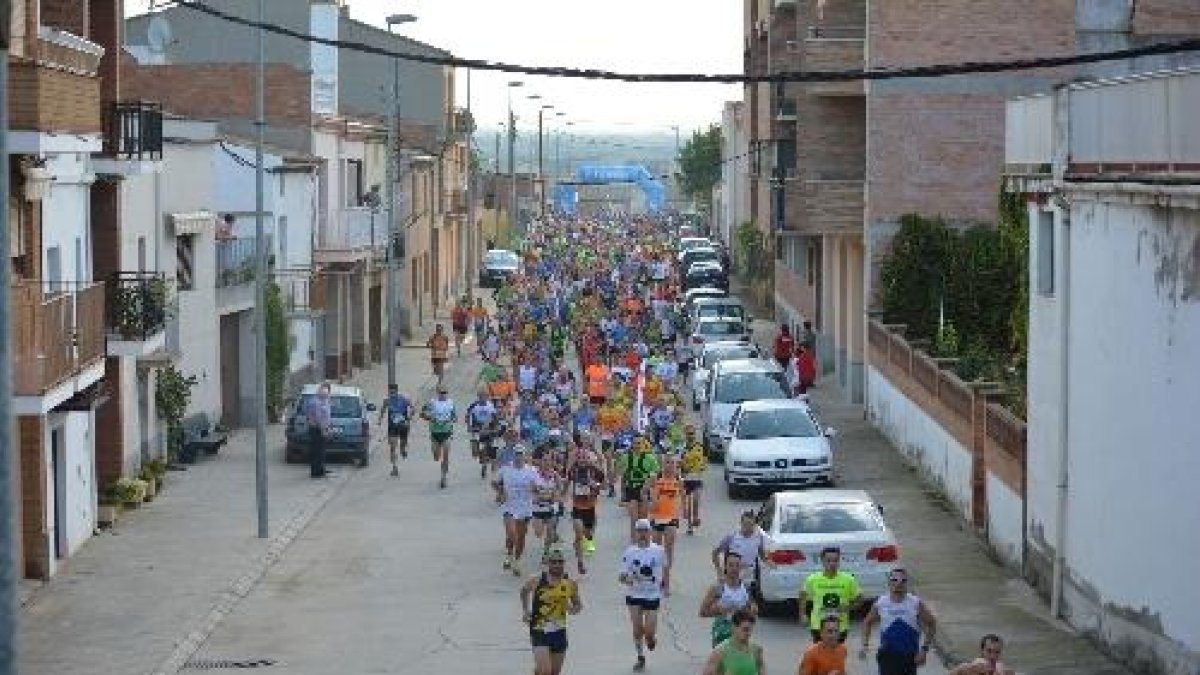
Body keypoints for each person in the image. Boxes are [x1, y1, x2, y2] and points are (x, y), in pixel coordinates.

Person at [859, 568, 938, 675]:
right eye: (894, 580)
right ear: (888, 582)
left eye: (903, 580)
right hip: (887, 656)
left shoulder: (915, 602)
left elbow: (932, 623)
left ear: (907, 583)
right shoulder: (881, 602)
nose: (898, 583)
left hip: (909, 657)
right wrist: (865, 645)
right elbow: (867, 622)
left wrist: (924, 650)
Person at [520, 545, 582, 675]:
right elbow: (524, 591)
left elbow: (578, 605)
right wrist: (526, 610)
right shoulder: (536, 580)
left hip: (559, 632)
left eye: (560, 562)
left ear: (564, 563)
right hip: (539, 630)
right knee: (546, 671)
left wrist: (573, 609)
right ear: (548, 563)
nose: (557, 565)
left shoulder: (570, 583)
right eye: (553, 562)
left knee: (554, 672)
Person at [620, 519, 667, 672]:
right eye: (639, 530)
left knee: (649, 632)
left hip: (652, 595)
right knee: (637, 629)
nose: (642, 534)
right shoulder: (629, 552)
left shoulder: (659, 550)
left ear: (650, 532)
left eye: (645, 530)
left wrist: (665, 585)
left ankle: (651, 639)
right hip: (634, 595)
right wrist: (629, 579)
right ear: (635, 532)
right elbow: (621, 576)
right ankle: (640, 657)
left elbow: (665, 568)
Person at [799, 547, 861, 643]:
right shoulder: (812, 579)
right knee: (820, 654)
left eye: (835, 560)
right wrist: (803, 614)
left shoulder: (849, 579)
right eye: (828, 560)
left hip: (840, 626)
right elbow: (803, 595)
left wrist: (848, 607)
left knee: (836, 654)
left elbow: (859, 599)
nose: (832, 564)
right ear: (822, 561)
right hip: (818, 625)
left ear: (839, 561)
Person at [496, 446, 539, 576]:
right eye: (516, 454)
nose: (518, 456)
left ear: (525, 456)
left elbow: (537, 487)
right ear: (513, 455)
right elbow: (495, 482)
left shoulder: (532, 470)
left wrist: (535, 490)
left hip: (525, 508)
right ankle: (510, 555)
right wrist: (501, 493)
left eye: (521, 454)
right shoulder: (505, 469)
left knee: (520, 538)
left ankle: (515, 560)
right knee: (512, 534)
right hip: (509, 506)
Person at [700, 551, 757, 648]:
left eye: (737, 565)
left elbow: (752, 609)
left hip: (741, 632)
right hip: (722, 632)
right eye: (731, 565)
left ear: (741, 567)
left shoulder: (746, 588)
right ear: (725, 567)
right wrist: (720, 611)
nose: (734, 569)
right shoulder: (718, 588)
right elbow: (703, 612)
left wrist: (752, 609)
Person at [647, 455, 683, 593]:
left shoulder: (679, 480)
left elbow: (683, 496)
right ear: (662, 464)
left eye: (672, 463)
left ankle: (666, 583)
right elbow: (645, 493)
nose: (669, 466)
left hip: (671, 519)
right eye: (667, 463)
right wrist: (650, 502)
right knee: (656, 551)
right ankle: (656, 579)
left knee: (668, 551)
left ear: (676, 465)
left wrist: (683, 511)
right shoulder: (655, 479)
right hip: (657, 518)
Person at [567, 445, 604, 575]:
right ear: (577, 459)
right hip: (577, 507)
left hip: (590, 507)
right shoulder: (573, 470)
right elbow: (567, 482)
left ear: (588, 459)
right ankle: (580, 562)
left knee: (588, 535)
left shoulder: (595, 471)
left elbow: (603, 485)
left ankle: (588, 537)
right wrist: (562, 494)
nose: (582, 460)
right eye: (580, 457)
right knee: (578, 533)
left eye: (585, 457)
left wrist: (595, 486)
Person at [712, 511, 771, 591]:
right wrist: (719, 572)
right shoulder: (732, 536)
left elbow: (761, 554)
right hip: (732, 572)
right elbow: (715, 552)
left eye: (751, 525)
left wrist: (768, 562)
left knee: (746, 598)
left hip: (749, 574)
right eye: (745, 524)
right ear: (741, 523)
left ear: (755, 525)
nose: (748, 527)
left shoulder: (758, 537)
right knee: (728, 598)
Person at [701, 609, 766, 675]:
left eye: (750, 630)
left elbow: (761, 668)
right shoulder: (719, 652)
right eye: (745, 629)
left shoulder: (756, 650)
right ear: (733, 627)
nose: (749, 633)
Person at [420, 385, 457, 489]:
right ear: (437, 393)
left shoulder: (451, 403)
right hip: (435, 433)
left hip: (447, 432)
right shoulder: (431, 402)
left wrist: (452, 419)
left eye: (445, 392)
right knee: (436, 457)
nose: (443, 394)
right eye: (441, 392)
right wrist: (430, 418)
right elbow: (421, 414)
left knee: (446, 456)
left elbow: (454, 416)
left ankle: (443, 478)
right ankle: (440, 461)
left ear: (447, 393)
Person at [378, 384, 412, 477]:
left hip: (403, 426)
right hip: (392, 427)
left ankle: (403, 450)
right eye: (390, 392)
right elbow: (382, 410)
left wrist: (409, 418)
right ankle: (394, 467)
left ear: (397, 391)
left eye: (393, 392)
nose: (391, 394)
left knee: (402, 445)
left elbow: (413, 408)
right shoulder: (387, 400)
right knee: (392, 447)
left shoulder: (404, 399)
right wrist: (380, 420)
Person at [305, 382, 334, 479]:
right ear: (319, 391)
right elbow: (318, 418)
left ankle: (321, 469)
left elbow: (327, 415)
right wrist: (323, 430)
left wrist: (328, 427)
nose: (327, 394)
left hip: (323, 428)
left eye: (328, 392)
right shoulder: (314, 402)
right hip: (316, 429)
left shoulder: (324, 400)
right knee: (316, 451)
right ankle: (315, 472)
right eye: (325, 392)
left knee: (322, 451)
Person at [680, 427, 707, 534]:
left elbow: (704, 459)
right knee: (689, 503)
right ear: (685, 435)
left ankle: (696, 517)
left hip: (696, 477)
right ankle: (690, 526)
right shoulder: (682, 448)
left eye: (692, 434)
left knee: (695, 498)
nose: (690, 436)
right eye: (688, 434)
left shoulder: (700, 447)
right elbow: (679, 462)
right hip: (686, 477)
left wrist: (703, 466)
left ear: (695, 435)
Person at [948, 634, 1013, 675]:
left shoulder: (1003, 670)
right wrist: (960, 670)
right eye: (989, 651)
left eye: (997, 652)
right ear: (982, 651)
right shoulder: (970, 668)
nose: (993, 656)